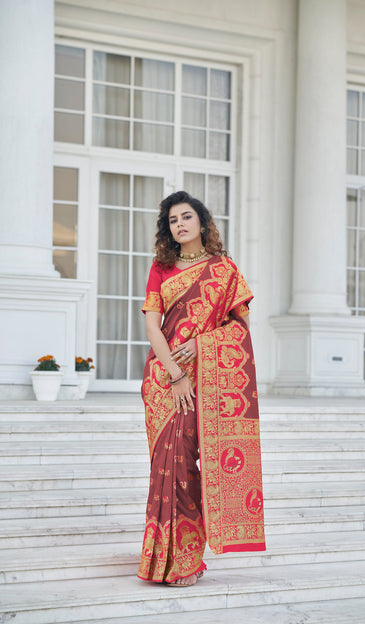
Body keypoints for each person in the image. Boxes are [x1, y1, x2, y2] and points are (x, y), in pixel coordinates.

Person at [137, 190, 265, 587]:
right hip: (165, 380)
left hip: (204, 382)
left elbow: (239, 329)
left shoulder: (225, 269)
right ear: (168, 229)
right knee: (165, 468)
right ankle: (160, 558)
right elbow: (152, 327)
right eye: (173, 220)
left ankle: (187, 560)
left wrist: (201, 344)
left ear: (202, 222)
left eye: (186, 217)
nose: (180, 224)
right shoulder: (161, 268)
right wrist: (174, 373)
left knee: (187, 467)